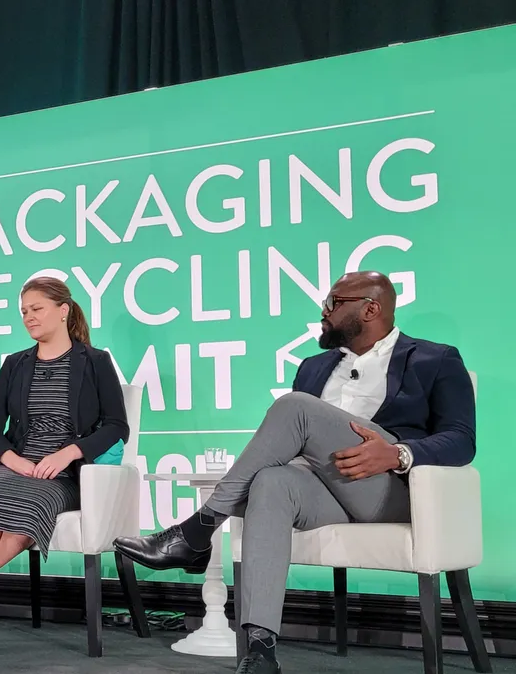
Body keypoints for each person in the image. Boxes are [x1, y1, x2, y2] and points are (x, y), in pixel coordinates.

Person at [113, 271, 476, 674]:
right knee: (272, 482)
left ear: (371, 308)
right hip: (327, 489)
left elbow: (461, 440)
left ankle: (198, 530)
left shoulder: (435, 359)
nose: (323, 312)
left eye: (334, 303)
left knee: (295, 407)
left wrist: (397, 455)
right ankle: (260, 651)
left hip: (389, 490)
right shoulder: (314, 366)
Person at [0, 276, 129, 654]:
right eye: (24, 311)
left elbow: (118, 426)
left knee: (32, 508)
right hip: (11, 467)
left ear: (63, 310)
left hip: (63, 473)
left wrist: (69, 452)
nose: (29, 317)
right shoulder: (14, 365)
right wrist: (12, 459)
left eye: (37, 309)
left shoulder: (96, 362)